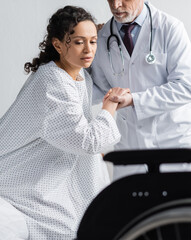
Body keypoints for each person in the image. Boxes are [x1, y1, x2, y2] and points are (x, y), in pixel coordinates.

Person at [0, 6, 127, 239]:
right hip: (16, 181)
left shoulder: (79, 77)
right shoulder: (52, 81)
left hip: (44, 179)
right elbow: (87, 140)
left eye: (93, 41)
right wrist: (110, 105)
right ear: (58, 45)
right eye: (79, 42)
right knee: (69, 229)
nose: (89, 50)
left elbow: (75, 131)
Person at [90, 0, 191, 179]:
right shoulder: (102, 37)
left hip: (171, 142)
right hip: (130, 147)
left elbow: (185, 87)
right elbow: (100, 87)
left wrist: (134, 100)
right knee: (133, 206)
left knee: (179, 206)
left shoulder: (169, 28)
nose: (116, 5)